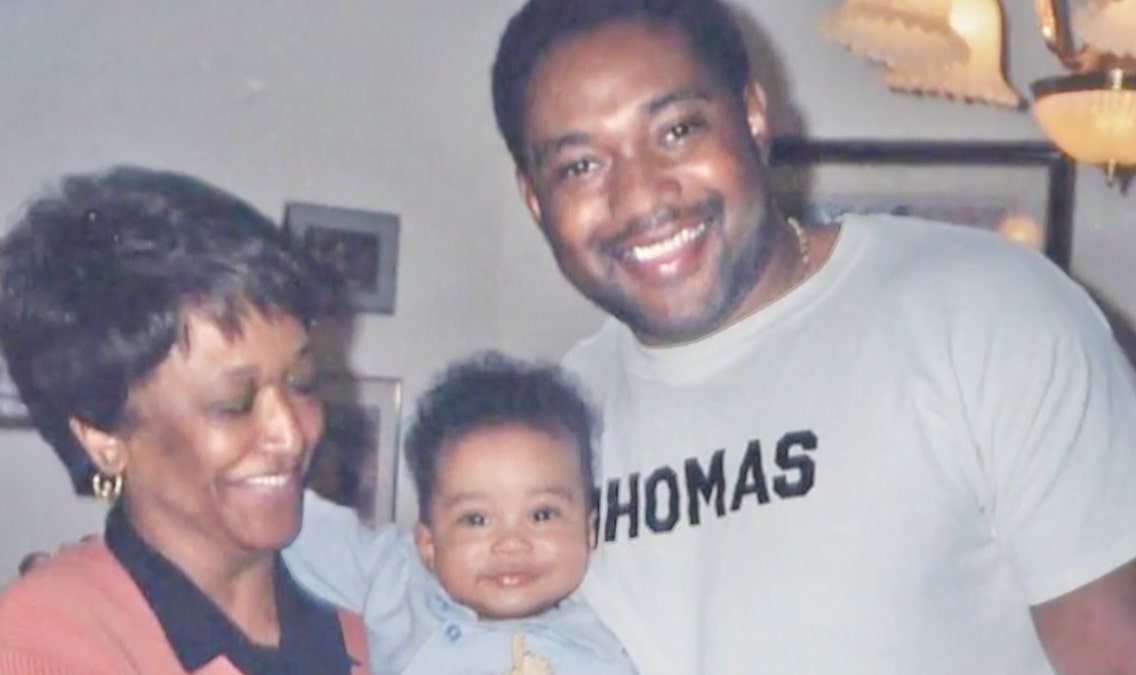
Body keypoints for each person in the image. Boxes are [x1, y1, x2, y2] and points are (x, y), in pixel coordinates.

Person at [486, 0, 1136, 673]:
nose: (642, 197)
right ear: (535, 199)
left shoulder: (987, 315)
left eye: (677, 129)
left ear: (754, 116)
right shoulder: (551, 431)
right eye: (580, 166)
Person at [0, 166, 367, 674]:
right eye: (233, 403)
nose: (291, 432)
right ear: (103, 437)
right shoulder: (40, 648)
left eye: (302, 380)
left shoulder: (369, 613)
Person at [286, 352, 636, 674]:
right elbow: (300, 526)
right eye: (476, 519)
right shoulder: (399, 581)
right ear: (428, 545)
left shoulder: (605, 651)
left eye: (542, 514)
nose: (511, 543)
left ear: (588, 531)